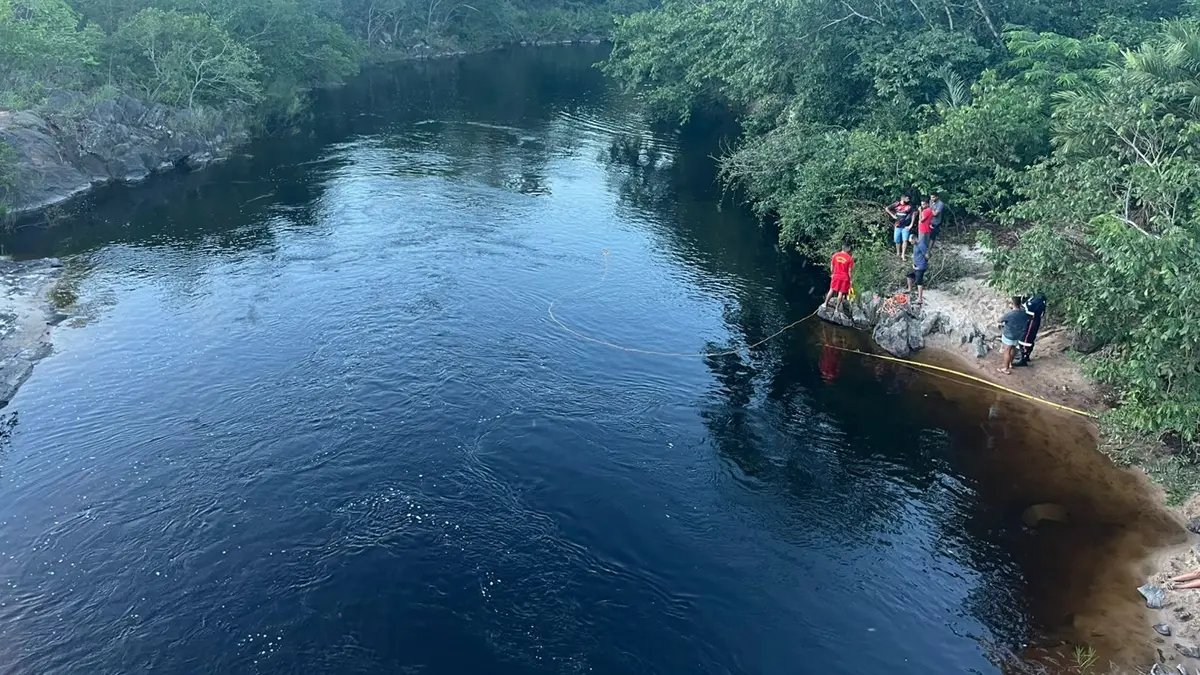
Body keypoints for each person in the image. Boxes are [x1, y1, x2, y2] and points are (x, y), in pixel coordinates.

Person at [998, 296, 1031, 375]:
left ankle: (1005, 369)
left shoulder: (1010, 314)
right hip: (1018, 334)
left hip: (1009, 334)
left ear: (1012, 304)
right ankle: (1010, 364)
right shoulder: (1024, 312)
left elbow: (1000, 320)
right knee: (1013, 348)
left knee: (1007, 351)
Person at [1013, 293, 1047, 367]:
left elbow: (1028, 309)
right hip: (1033, 322)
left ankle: (1023, 359)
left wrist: (1022, 306)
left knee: (1025, 340)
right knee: (1028, 340)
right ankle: (1026, 356)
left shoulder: (1035, 303)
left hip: (1031, 323)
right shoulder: (1040, 302)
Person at [823, 241, 855, 314]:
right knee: (841, 293)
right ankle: (836, 309)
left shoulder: (835, 255)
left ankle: (825, 304)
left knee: (831, 290)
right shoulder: (850, 259)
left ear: (842, 247)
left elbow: (832, 266)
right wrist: (851, 280)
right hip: (844, 277)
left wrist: (832, 274)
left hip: (836, 275)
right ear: (848, 248)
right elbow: (849, 271)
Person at [884, 195, 914, 259]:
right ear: (903, 198)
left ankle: (903, 254)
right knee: (897, 240)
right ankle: (898, 253)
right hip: (897, 226)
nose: (908, 199)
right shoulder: (897, 204)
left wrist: (911, 224)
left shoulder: (909, 206)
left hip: (905, 226)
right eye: (907, 198)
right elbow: (887, 208)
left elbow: (913, 214)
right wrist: (892, 215)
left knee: (905, 240)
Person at [906, 234, 928, 304]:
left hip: (921, 266)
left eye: (911, 241)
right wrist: (914, 263)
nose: (911, 243)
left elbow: (926, 256)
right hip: (915, 265)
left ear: (915, 239)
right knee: (909, 275)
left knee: (919, 282)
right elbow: (915, 254)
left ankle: (920, 299)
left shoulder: (921, 245)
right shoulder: (915, 245)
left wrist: (922, 265)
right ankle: (909, 289)